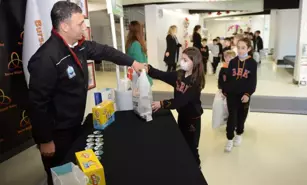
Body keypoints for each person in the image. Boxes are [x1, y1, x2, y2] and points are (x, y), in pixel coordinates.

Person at [27, 2, 144, 185]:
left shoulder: (79, 46)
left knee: (75, 171)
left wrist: (132, 62)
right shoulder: (46, 58)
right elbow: (36, 104)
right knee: (60, 175)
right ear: (64, 26)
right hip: (57, 133)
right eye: (80, 23)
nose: (85, 26)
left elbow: (106, 52)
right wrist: (45, 140)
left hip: (75, 124)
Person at [146, 47, 205, 167]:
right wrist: (149, 69)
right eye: (181, 59)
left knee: (192, 144)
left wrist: (161, 103)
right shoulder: (179, 74)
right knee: (182, 139)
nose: (181, 62)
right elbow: (163, 75)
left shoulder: (195, 82)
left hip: (192, 118)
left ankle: (196, 165)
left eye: (185, 60)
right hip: (182, 115)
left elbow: (180, 101)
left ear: (194, 62)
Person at [219, 38, 257, 153]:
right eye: (238, 47)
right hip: (232, 95)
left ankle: (239, 133)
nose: (240, 50)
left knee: (241, 116)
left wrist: (248, 94)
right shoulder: (233, 61)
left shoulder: (252, 63)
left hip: (244, 96)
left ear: (249, 49)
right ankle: (229, 138)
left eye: (243, 48)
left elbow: (252, 81)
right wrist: (225, 90)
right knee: (232, 117)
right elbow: (228, 78)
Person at [126, 21, 153, 85]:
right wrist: (148, 80)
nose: (143, 31)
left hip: (136, 77)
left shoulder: (131, 43)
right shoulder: (136, 44)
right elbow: (140, 65)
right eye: (142, 29)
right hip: (140, 78)